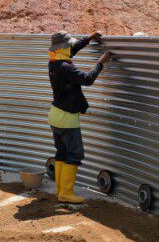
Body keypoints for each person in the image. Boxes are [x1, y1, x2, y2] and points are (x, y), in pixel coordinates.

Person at [47, 30, 112, 203]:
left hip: (55, 116)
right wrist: (100, 62)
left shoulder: (53, 62)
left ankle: (60, 191)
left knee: (61, 152)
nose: (71, 48)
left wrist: (89, 39)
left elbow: (72, 49)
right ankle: (66, 193)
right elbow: (88, 79)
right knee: (75, 154)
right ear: (64, 48)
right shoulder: (66, 68)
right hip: (67, 119)